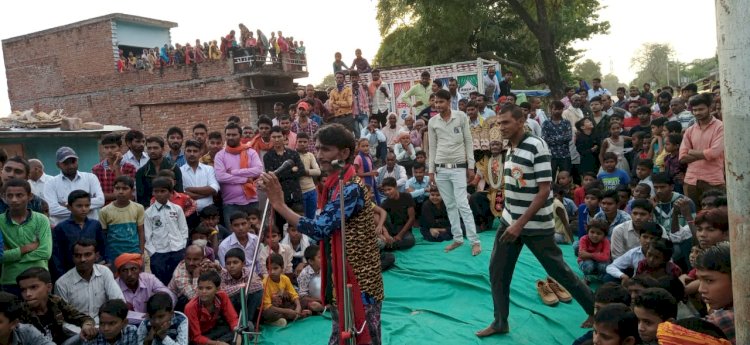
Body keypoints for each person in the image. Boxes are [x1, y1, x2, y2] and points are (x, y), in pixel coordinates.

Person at [476, 104, 594, 337]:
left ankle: (594, 309)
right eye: (499, 123)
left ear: (521, 121)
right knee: (497, 271)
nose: (501, 127)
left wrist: (520, 225)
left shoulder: (537, 146)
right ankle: (501, 322)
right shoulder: (510, 148)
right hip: (509, 221)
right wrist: (510, 221)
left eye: (506, 122)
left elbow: (544, 191)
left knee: (559, 271)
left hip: (535, 225)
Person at [259, 123, 384, 344]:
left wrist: (279, 205)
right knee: (341, 333)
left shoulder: (350, 188)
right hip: (341, 277)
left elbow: (319, 228)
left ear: (344, 153)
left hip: (359, 280)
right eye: (317, 149)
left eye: (325, 149)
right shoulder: (334, 185)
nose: (319, 155)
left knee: (364, 336)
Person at [427, 89, 481, 255]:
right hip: (441, 169)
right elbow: (432, 147)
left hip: (458, 167)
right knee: (450, 205)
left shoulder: (461, 116)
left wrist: (470, 166)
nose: (438, 105)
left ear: (449, 102)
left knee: (463, 204)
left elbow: (468, 142)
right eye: (436, 102)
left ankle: (475, 241)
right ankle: (457, 238)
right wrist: (431, 171)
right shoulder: (433, 122)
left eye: (441, 102)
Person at [16, 267, 97, 344]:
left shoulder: (55, 301)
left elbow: (83, 318)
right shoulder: (20, 311)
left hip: (61, 342)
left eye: (33, 287)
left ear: (49, 287)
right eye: (23, 290)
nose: (27, 294)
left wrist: (87, 326)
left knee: (97, 334)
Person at [0, 178, 52, 295]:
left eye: (19, 195)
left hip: (39, 279)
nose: (14, 200)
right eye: (10, 196)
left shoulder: (41, 219)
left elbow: (45, 252)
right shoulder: (0, 222)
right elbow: (0, 257)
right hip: (11, 280)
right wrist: (24, 249)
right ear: (4, 197)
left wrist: (12, 256)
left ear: (29, 196)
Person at [55, 238, 125, 321]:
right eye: (78, 255)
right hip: (77, 330)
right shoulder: (62, 284)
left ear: (97, 256)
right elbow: (62, 319)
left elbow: (118, 302)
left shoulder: (104, 272)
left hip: (105, 326)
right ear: (73, 258)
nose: (82, 259)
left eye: (87, 254)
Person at [680, 94, 725, 208]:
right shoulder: (690, 130)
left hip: (713, 181)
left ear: (710, 108)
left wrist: (691, 151)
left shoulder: (721, 127)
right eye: (694, 110)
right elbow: (682, 158)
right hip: (691, 181)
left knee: (715, 217)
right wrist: (706, 154)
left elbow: (714, 153)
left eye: (701, 109)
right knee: (694, 216)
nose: (697, 113)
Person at [215, 123, 264, 227]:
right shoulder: (220, 155)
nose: (230, 137)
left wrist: (234, 172)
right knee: (233, 236)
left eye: (234, 135)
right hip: (231, 204)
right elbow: (220, 176)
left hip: (252, 201)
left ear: (240, 136)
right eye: (228, 135)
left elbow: (258, 170)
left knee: (255, 233)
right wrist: (245, 180)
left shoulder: (251, 152)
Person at [50, 190, 106, 280]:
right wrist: (61, 276)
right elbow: (57, 255)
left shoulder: (95, 225)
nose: (84, 209)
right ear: (69, 207)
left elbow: (102, 247)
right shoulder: (61, 228)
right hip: (69, 272)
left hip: (93, 272)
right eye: (79, 206)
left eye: (87, 205)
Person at [43, 147, 105, 226]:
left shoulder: (90, 178)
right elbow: (52, 210)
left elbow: (100, 201)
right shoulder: (50, 183)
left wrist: (67, 205)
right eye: (66, 163)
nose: (71, 166)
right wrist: (86, 207)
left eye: (73, 161)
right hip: (64, 230)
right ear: (58, 165)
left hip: (90, 228)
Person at [263, 126, 306, 229]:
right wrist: (291, 170)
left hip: (296, 195)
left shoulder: (293, 153)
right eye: (274, 137)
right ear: (270, 138)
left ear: (284, 137)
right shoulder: (268, 156)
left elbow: (301, 171)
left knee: (298, 224)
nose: (277, 139)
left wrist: (282, 173)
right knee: (281, 225)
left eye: (279, 136)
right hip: (280, 196)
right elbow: (273, 176)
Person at [184, 271, 238, 345]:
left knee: (246, 327)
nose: (203, 291)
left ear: (217, 289)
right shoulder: (190, 307)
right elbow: (196, 337)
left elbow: (232, 319)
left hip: (215, 330)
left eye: (208, 288)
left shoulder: (222, 296)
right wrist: (216, 343)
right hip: (201, 337)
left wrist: (238, 333)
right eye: (200, 288)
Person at [99, 176, 145, 263]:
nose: (120, 192)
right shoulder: (104, 211)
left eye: (125, 188)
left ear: (132, 191)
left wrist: (141, 252)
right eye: (117, 188)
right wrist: (105, 256)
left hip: (134, 252)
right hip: (114, 254)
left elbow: (140, 232)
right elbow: (104, 236)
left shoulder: (138, 208)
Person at [695, 243, 734, 344]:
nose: (701, 289)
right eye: (699, 280)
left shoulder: (722, 320)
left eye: (709, 280)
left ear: (736, 278)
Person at [135, 137, 183, 208]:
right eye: (149, 148)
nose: (152, 151)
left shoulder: (174, 168)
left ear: (163, 149)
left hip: (173, 208)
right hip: (150, 210)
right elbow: (141, 198)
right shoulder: (141, 172)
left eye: (155, 148)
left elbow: (179, 192)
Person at [260, 253, 306, 327]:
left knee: (302, 301)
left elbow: (294, 295)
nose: (272, 272)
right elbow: (267, 306)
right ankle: (289, 316)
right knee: (268, 313)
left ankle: (292, 315)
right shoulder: (265, 283)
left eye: (275, 268)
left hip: (282, 306)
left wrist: (298, 307)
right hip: (272, 309)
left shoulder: (285, 278)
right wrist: (287, 311)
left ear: (282, 268)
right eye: (269, 269)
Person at [220, 248, 262, 326]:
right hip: (232, 306)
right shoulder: (223, 274)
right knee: (229, 298)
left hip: (246, 305)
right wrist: (242, 287)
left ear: (243, 263)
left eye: (235, 262)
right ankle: (238, 322)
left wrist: (235, 289)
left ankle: (247, 320)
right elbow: (222, 292)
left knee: (258, 293)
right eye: (228, 263)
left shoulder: (248, 272)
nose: (231, 266)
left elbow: (259, 285)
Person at [181, 140, 219, 222]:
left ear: (200, 153)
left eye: (195, 151)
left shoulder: (209, 169)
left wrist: (190, 189)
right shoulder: (179, 171)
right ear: (184, 153)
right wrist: (206, 194)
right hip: (188, 214)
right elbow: (181, 193)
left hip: (209, 214)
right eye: (189, 151)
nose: (192, 154)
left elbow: (214, 188)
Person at [379, 177, 416, 250]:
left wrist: (400, 235)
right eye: (385, 190)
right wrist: (386, 234)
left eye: (389, 189)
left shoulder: (406, 197)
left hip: (404, 229)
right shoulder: (385, 203)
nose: (387, 192)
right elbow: (380, 217)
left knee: (410, 240)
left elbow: (412, 218)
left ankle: (390, 246)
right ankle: (389, 244)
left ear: (395, 187)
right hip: (392, 229)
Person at [542, 100, 573, 177]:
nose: (557, 111)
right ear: (551, 109)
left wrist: (553, 139)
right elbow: (545, 138)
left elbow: (568, 137)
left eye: (560, 109)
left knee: (565, 177)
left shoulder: (566, 122)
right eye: (555, 109)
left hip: (565, 155)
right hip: (551, 155)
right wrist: (561, 138)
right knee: (550, 178)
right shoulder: (546, 123)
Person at [296, 133, 321, 219]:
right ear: (296, 142)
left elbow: (318, 171)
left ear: (308, 143)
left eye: (305, 142)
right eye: (300, 141)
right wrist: (309, 172)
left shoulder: (310, 155)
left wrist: (304, 171)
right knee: (301, 218)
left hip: (311, 190)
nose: (302, 144)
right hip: (299, 192)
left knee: (311, 217)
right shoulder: (293, 155)